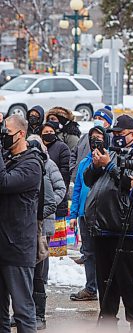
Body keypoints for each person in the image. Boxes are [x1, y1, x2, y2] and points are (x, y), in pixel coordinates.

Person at [84, 115, 133, 327]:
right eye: (113, 134)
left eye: (120, 134)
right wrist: (97, 166)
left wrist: (110, 167)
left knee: (131, 288)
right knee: (106, 289)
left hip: (128, 230)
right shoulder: (111, 152)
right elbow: (88, 180)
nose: (116, 138)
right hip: (102, 229)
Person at [0, 114, 43, 332]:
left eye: (6, 133)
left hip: (18, 247)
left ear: (21, 134)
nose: (3, 137)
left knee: (23, 311)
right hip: (2, 245)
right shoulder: (7, 157)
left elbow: (4, 183)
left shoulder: (32, 163)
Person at [27, 136, 66, 329]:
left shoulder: (49, 165)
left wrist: (42, 210)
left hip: (44, 226)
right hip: (27, 227)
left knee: (39, 273)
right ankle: (26, 313)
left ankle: (39, 315)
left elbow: (60, 189)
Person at [69, 126, 110, 302]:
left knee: (104, 252)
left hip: (103, 216)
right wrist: (73, 215)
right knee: (88, 253)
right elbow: (77, 189)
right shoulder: (84, 163)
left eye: (99, 137)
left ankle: (107, 287)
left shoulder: (110, 162)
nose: (95, 141)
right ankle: (91, 287)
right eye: (92, 138)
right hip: (84, 215)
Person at [40, 122, 71, 256]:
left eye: (51, 131)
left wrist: (53, 200)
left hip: (56, 196)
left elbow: (64, 176)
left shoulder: (61, 148)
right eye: (45, 132)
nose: (48, 134)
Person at [70, 107, 114, 180]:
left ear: (108, 123)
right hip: (79, 178)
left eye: (100, 119)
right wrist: (74, 170)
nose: (97, 120)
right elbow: (74, 153)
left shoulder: (112, 139)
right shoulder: (85, 137)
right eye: (95, 118)